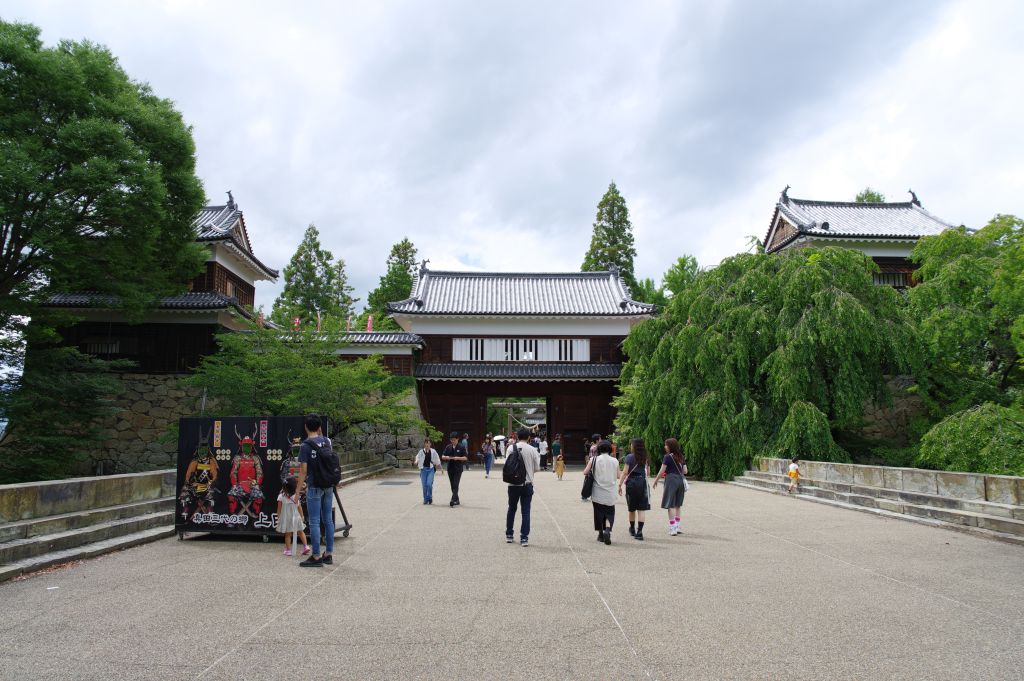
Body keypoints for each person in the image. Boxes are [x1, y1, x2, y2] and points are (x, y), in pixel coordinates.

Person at [298, 415, 335, 567]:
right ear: (319, 427)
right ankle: (329, 554)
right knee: (328, 519)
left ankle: (315, 556)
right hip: (328, 485)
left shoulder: (305, 446)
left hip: (314, 486)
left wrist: (297, 491)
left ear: (306, 426)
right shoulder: (327, 441)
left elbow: (303, 471)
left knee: (314, 521)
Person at [505, 427, 540, 547]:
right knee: (525, 511)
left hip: (513, 484)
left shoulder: (510, 448)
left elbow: (507, 465)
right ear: (529, 437)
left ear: (517, 436)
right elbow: (537, 468)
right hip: (527, 484)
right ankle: (524, 537)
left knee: (511, 508)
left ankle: (509, 534)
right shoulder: (532, 449)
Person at [652, 438, 688, 536]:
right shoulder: (681, 456)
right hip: (680, 480)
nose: (665, 447)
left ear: (670, 446)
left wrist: (655, 480)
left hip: (671, 480)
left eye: (666, 445)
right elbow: (685, 471)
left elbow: (662, 470)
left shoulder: (667, 457)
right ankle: (678, 526)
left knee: (670, 504)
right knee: (677, 504)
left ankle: (673, 528)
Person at [618, 438, 650, 541]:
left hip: (632, 483)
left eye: (631, 444)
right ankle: (639, 532)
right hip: (643, 483)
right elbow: (648, 473)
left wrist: (620, 484)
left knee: (632, 508)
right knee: (641, 509)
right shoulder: (646, 457)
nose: (630, 446)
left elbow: (625, 472)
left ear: (634, 446)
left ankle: (632, 529)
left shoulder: (629, 457)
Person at [588, 440, 619, 545]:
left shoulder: (594, 459)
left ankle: (601, 534)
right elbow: (618, 475)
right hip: (610, 492)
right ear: (610, 449)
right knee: (609, 512)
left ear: (599, 449)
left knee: (599, 513)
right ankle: (608, 529)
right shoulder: (615, 461)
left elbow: (585, 472)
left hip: (597, 492)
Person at [276, 477, 310, 556]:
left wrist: (278, 518)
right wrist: (302, 516)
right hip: (296, 517)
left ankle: (288, 550)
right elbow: (299, 507)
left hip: (286, 518)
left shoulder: (281, 497)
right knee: (301, 532)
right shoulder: (296, 496)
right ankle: (306, 546)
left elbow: (279, 509)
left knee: (288, 534)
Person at [442, 431, 468, 507]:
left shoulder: (461, 447)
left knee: (456, 484)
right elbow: (443, 456)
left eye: (454, 440)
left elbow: (465, 457)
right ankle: (457, 500)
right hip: (450, 468)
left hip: (458, 469)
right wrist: (445, 457)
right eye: (451, 440)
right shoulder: (448, 447)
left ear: (457, 439)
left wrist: (458, 458)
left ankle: (453, 500)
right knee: (452, 485)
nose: (453, 441)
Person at [415, 438, 441, 504]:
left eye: (428, 443)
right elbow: (417, 457)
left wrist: (439, 465)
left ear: (430, 444)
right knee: (424, 485)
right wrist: (416, 461)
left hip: (431, 470)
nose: (427, 444)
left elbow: (437, 458)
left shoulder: (433, 451)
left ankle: (429, 497)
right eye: (426, 443)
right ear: (424, 444)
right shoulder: (421, 451)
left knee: (429, 484)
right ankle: (425, 499)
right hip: (423, 470)